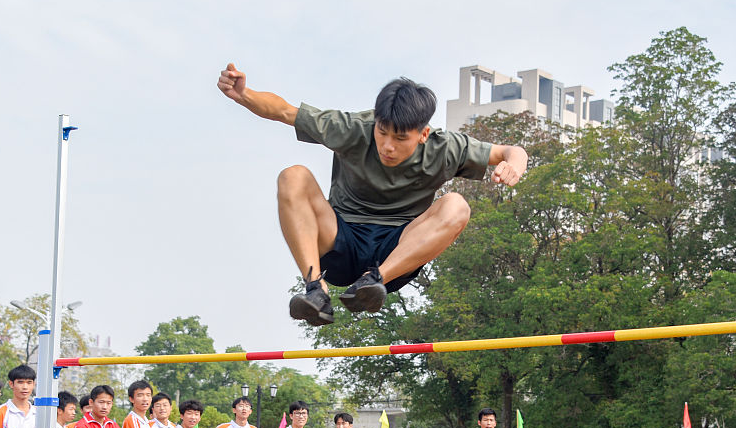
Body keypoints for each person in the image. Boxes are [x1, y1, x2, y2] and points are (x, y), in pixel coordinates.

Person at [216, 63, 529, 326]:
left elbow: (509, 151)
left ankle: (372, 281)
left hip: (396, 252)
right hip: (340, 240)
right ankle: (315, 289)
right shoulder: (354, 128)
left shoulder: (445, 147)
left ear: (423, 134)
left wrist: (514, 165)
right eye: (382, 133)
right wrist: (244, 94)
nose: (388, 146)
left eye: (400, 138)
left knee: (457, 206)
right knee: (293, 176)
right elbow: (285, 111)